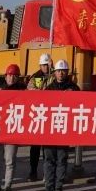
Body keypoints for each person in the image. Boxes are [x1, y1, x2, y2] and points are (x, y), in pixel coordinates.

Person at [43, 59, 80, 191]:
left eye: (63, 71)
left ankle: (58, 187)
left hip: (65, 130)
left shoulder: (74, 89)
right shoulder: (49, 89)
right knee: (49, 160)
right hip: (50, 130)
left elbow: (80, 106)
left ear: (67, 72)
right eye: (58, 71)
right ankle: (49, 188)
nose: (61, 73)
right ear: (54, 73)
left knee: (62, 159)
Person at [0, 63, 26, 191]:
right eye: (10, 75)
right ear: (5, 76)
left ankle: (7, 187)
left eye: (15, 76)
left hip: (12, 130)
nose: (12, 78)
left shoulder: (23, 91)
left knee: (10, 161)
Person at [26, 53, 55, 181]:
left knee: (47, 149)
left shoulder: (54, 77)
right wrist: (42, 92)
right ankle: (33, 171)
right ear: (40, 65)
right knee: (35, 148)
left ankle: (46, 173)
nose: (46, 67)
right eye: (44, 65)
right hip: (37, 116)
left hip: (49, 116)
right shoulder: (34, 78)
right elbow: (30, 91)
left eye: (47, 65)